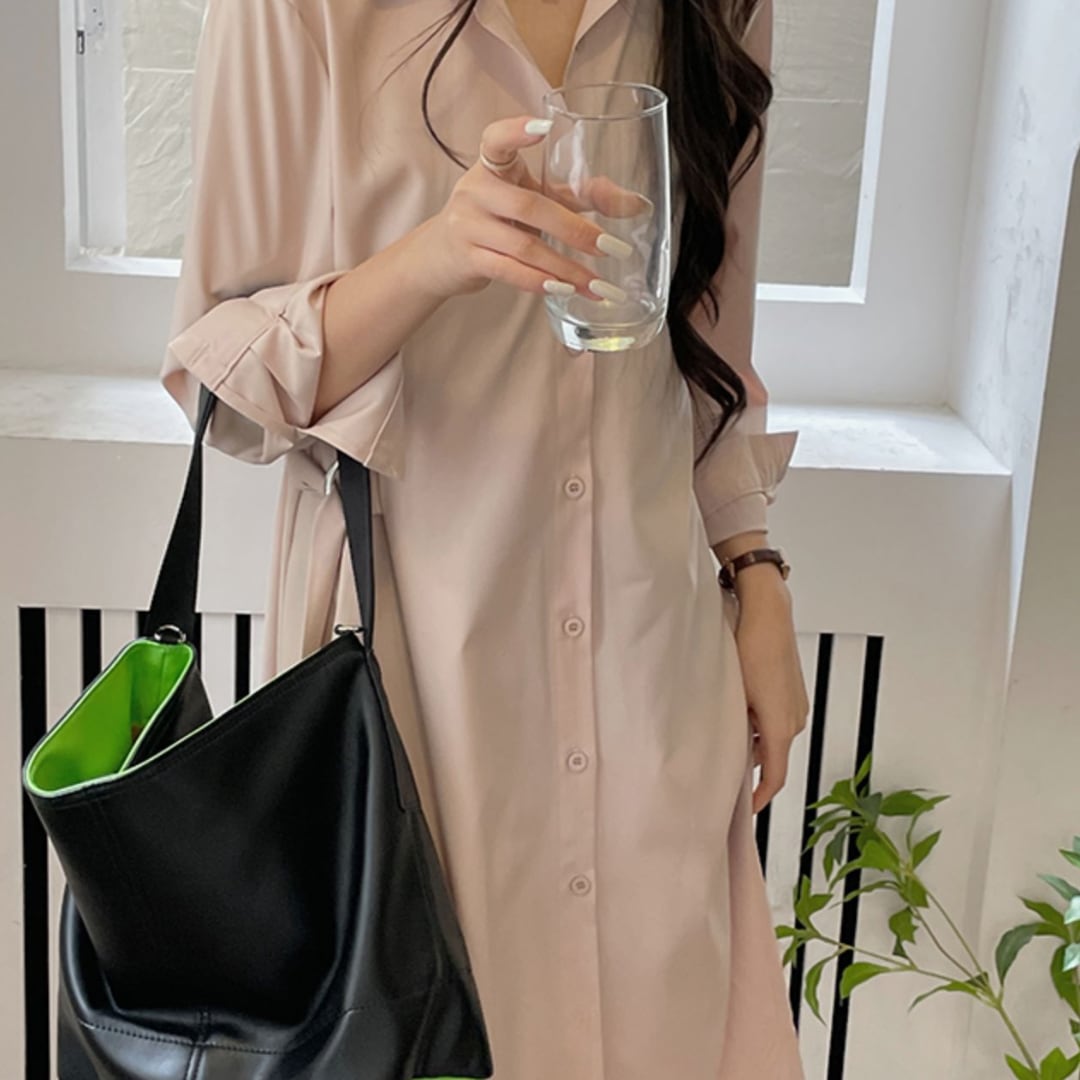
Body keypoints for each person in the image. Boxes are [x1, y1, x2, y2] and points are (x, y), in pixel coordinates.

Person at [160, 0, 810, 1075]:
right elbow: (221, 391)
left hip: (652, 669)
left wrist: (757, 572)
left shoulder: (721, 7)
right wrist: (430, 258)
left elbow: (710, 351)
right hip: (410, 692)